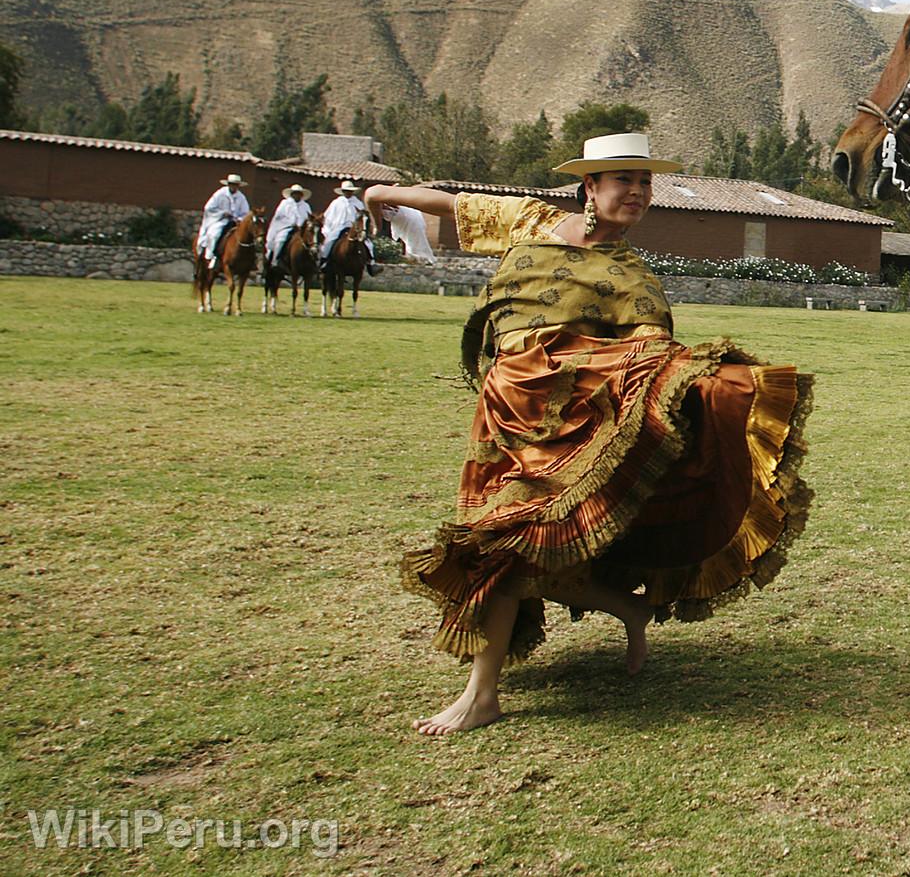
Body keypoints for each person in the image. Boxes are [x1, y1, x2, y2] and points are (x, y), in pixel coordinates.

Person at [367, 132, 813, 735]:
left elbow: (649, 359)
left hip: (563, 430)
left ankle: (481, 695)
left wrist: (715, 387)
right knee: (513, 549)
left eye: (644, 182)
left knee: (504, 540)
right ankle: (627, 610)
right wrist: (382, 192)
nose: (636, 192)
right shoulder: (530, 219)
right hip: (504, 413)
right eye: (623, 180)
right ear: (590, 187)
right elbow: (454, 203)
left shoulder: (634, 277)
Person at [318, 180, 376, 274]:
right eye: (346, 191)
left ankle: (371, 263)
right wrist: (327, 229)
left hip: (354, 228)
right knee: (329, 241)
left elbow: (363, 217)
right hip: (339, 227)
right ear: (343, 191)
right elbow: (328, 217)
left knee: (368, 243)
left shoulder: (358, 203)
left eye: (350, 191)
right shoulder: (336, 203)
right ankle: (324, 261)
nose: (348, 193)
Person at [195, 173, 251, 269]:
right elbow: (209, 208)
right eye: (232, 184)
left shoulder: (241, 197)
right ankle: (210, 256)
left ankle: (248, 261)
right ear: (228, 184)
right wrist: (222, 213)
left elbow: (245, 212)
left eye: (236, 184)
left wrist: (239, 219)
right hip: (219, 220)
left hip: (235, 222)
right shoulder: (219, 194)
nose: (234, 186)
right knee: (214, 234)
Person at [265, 183, 315, 262]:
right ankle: (275, 259)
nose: (297, 195)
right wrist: (291, 223)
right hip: (286, 227)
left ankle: (314, 261)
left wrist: (302, 225)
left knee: (313, 241)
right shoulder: (285, 203)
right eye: (295, 193)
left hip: (301, 229)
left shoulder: (305, 206)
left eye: (299, 194)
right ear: (292, 194)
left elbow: (309, 218)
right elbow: (279, 217)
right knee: (281, 239)